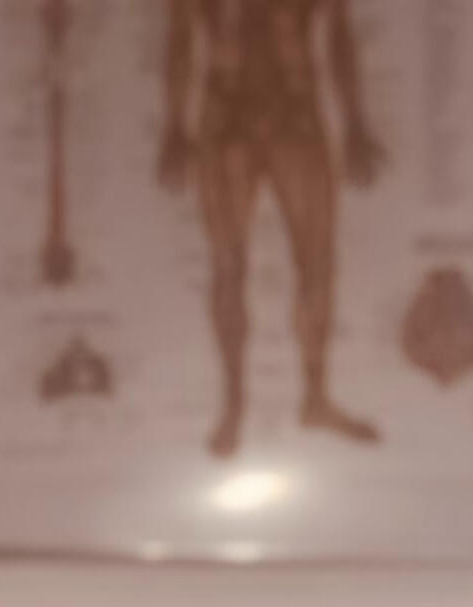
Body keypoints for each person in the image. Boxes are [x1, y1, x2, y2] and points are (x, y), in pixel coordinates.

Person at [158, 0, 385, 456]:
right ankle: (234, 403)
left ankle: (315, 397)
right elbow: (181, 36)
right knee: (228, 265)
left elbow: (339, 35)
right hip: (226, 116)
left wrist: (356, 121)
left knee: (317, 260)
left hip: (295, 113)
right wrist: (174, 124)